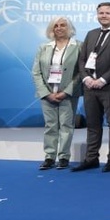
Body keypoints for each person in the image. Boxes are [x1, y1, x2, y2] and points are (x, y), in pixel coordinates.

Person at [74, 2, 110, 172]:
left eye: (108, 13)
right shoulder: (91, 34)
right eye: (101, 13)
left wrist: (103, 79)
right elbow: (82, 59)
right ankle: (91, 158)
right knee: (93, 124)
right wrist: (86, 78)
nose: (104, 16)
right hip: (90, 86)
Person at [31, 16, 82, 170]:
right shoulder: (44, 47)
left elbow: (81, 72)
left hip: (68, 94)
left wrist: (67, 92)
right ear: (52, 29)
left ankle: (64, 157)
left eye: (63, 25)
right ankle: (49, 157)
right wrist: (45, 93)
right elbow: (36, 72)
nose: (59, 28)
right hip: (47, 94)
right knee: (50, 126)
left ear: (69, 28)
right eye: (56, 25)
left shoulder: (78, 46)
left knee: (66, 125)